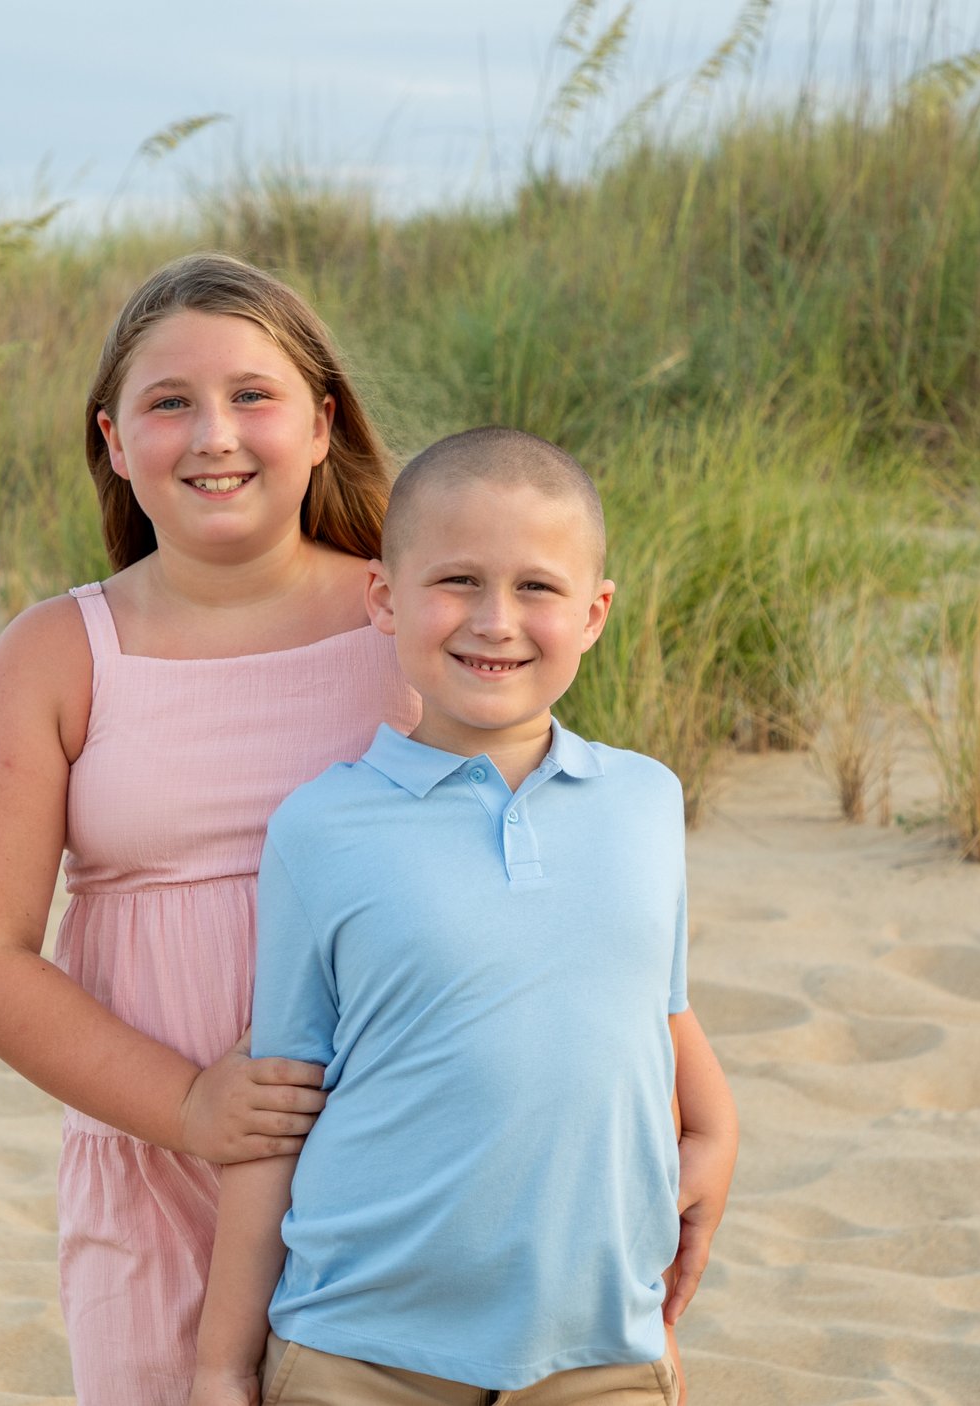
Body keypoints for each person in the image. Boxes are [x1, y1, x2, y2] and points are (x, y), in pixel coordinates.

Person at [0, 253, 731, 1404]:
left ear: (321, 421)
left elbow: (570, 891)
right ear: (112, 439)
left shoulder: (417, 612)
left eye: (253, 395)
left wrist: (706, 1103)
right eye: (168, 402)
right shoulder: (61, 651)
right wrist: (190, 1106)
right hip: (159, 1138)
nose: (214, 434)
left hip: (411, 1153)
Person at [188, 427, 739, 1406]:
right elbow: (276, 1107)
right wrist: (219, 1365)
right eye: (456, 581)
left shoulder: (646, 801)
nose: (496, 620)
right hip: (360, 1347)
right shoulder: (321, 825)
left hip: (599, 1351)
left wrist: (715, 1131)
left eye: (536, 587)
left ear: (595, 610)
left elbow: (652, 1016)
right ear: (385, 599)